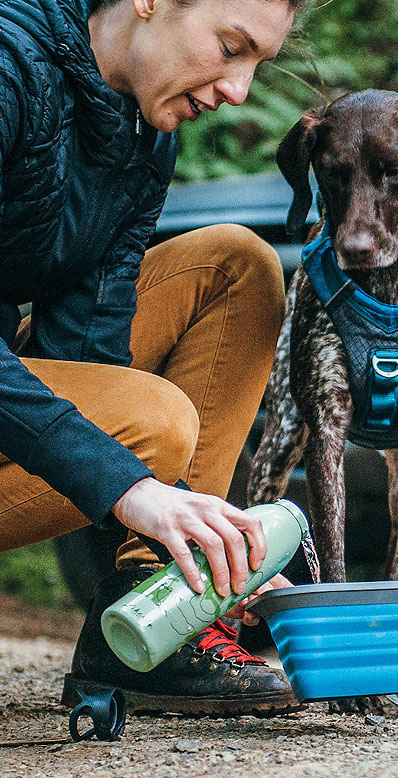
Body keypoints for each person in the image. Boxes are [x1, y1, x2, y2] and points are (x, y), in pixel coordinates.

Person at [0, 0, 304, 716]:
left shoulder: (141, 130)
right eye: (232, 48)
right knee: (152, 419)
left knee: (238, 267)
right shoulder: (9, 68)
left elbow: (84, 360)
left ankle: (158, 608)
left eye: (258, 65)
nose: (239, 91)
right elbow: (121, 414)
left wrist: (199, 543)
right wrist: (136, 487)